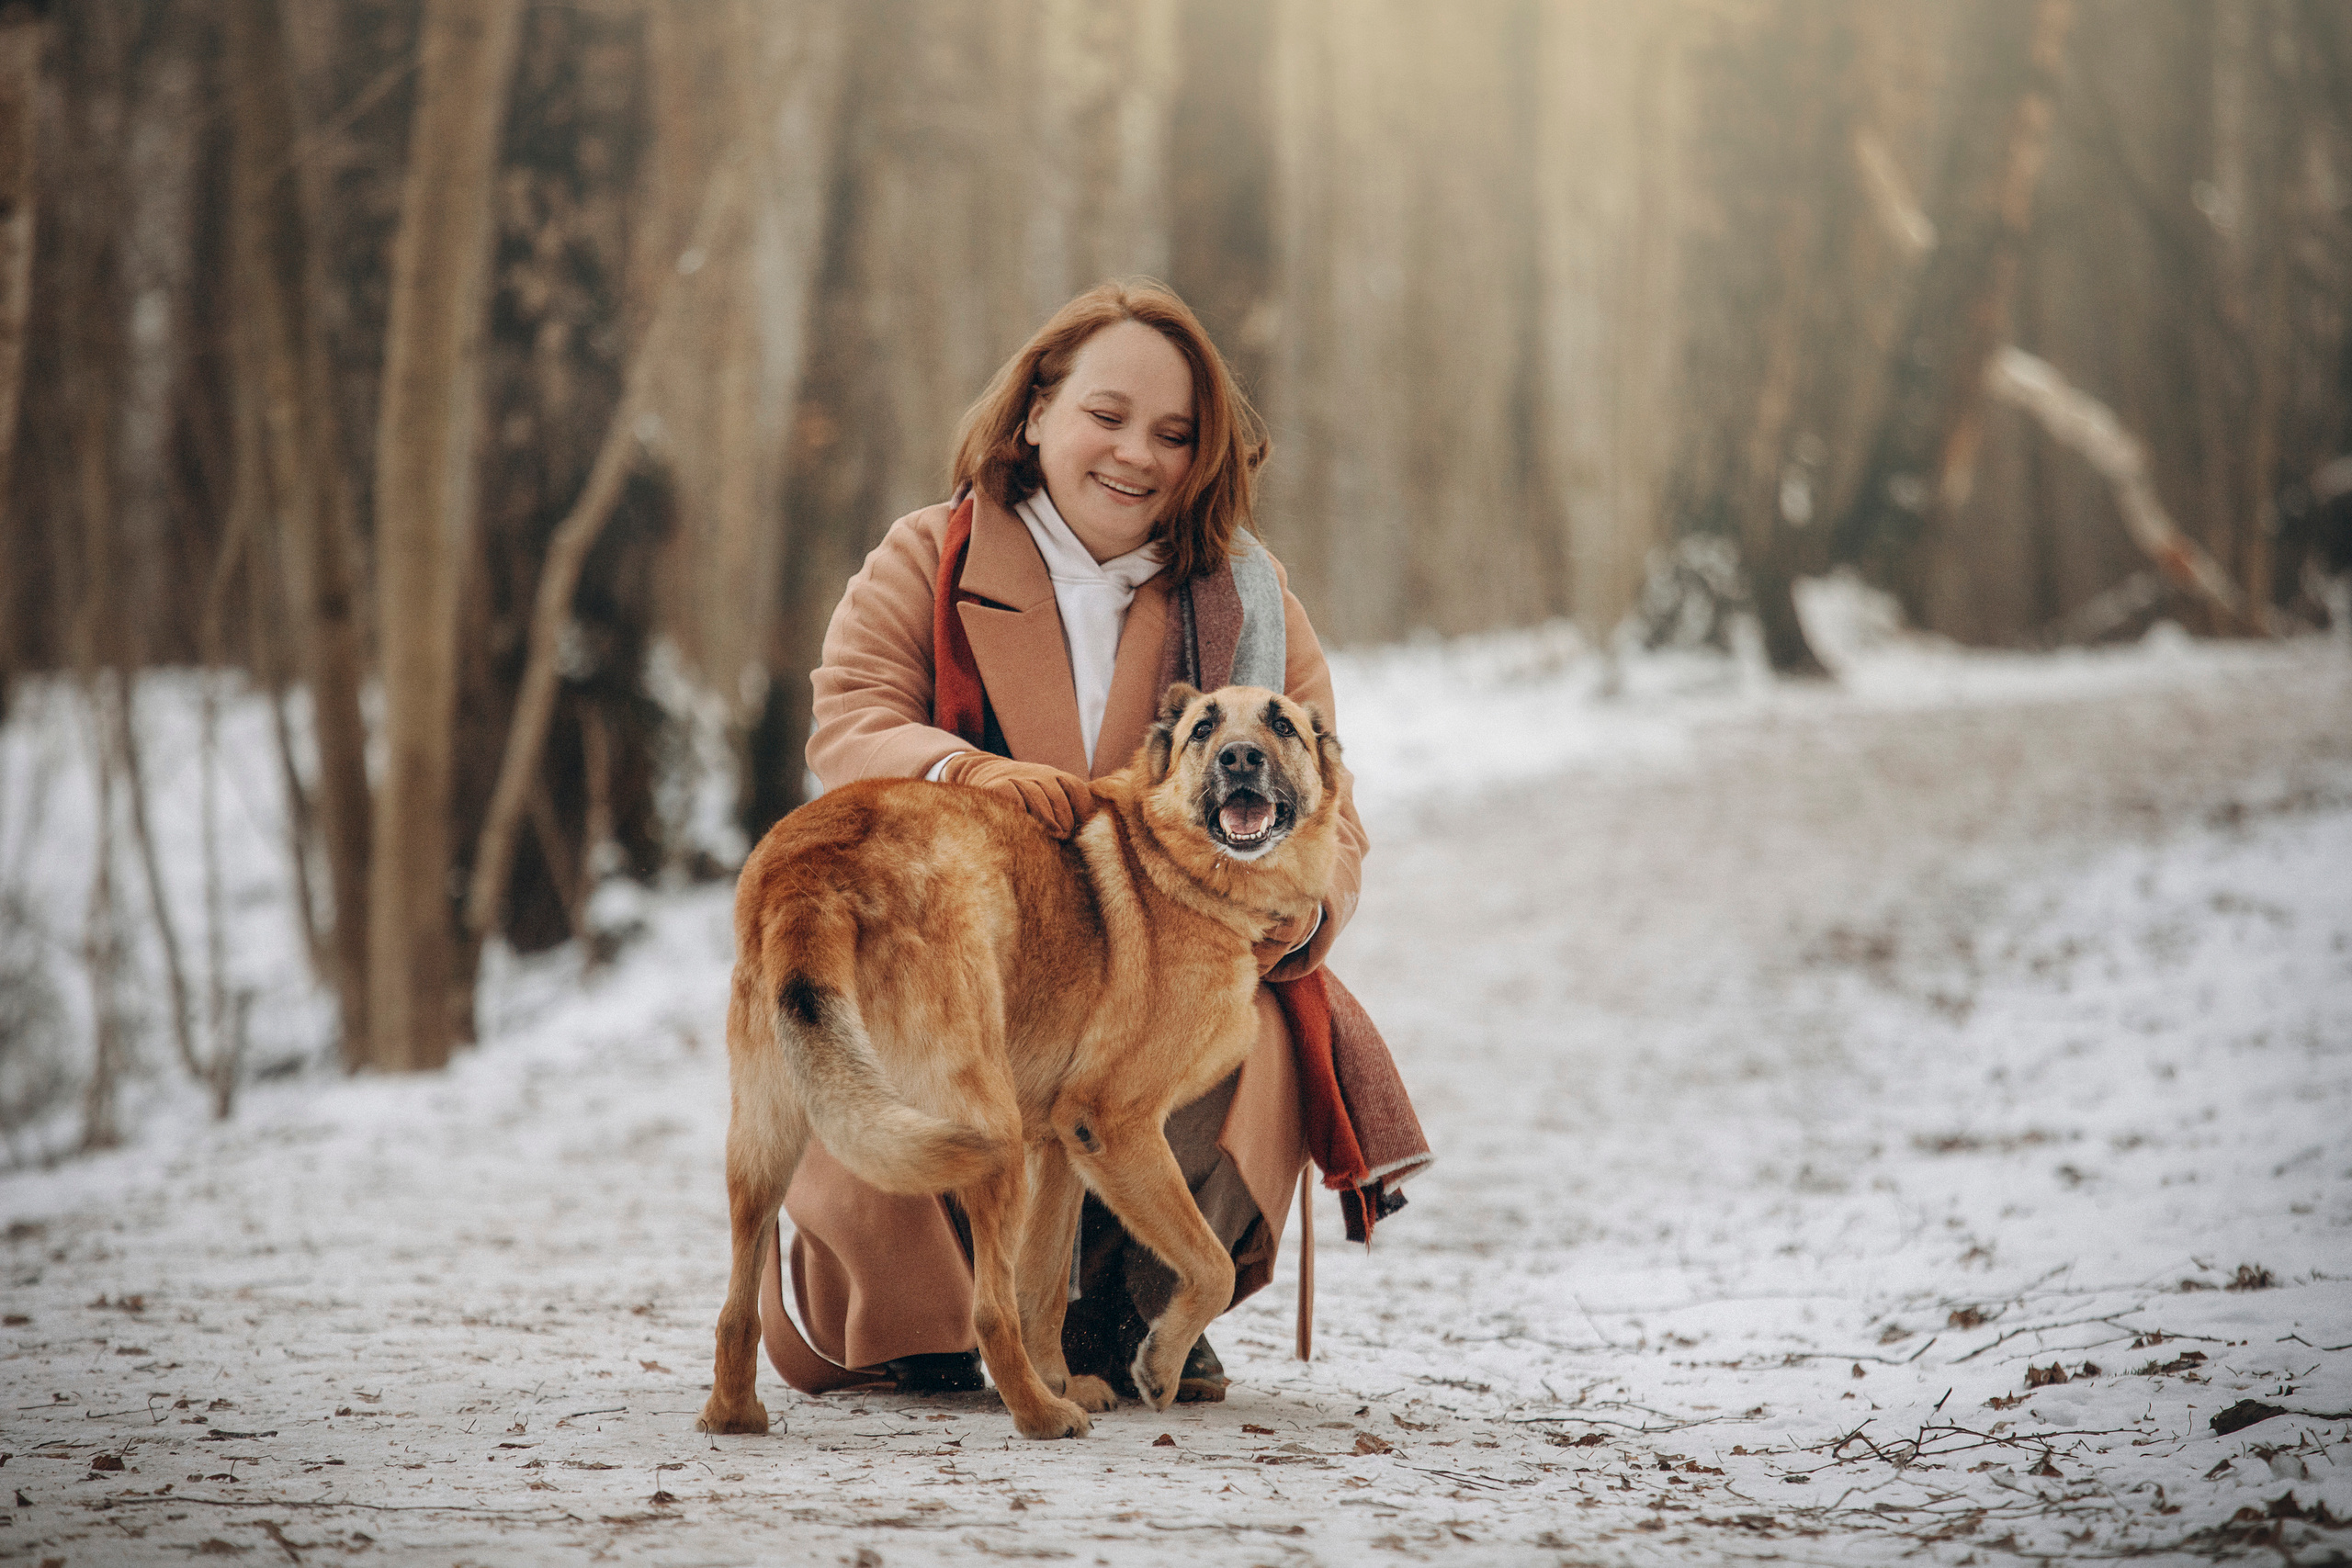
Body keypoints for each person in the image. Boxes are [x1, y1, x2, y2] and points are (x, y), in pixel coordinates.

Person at [756, 279, 1421, 1405]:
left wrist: (1305, 908)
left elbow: (1330, 797)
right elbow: (852, 716)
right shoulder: (928, 555)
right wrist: (966, 768)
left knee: (1239, 1018)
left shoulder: (1249, 596)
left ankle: (1144, 1301)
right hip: (957, 939)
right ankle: (916, 1312)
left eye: (1174, 435)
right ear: (1033, 415)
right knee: (908, 1015)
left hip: (1146, 963)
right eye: (1105, 416)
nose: (1136, 456)